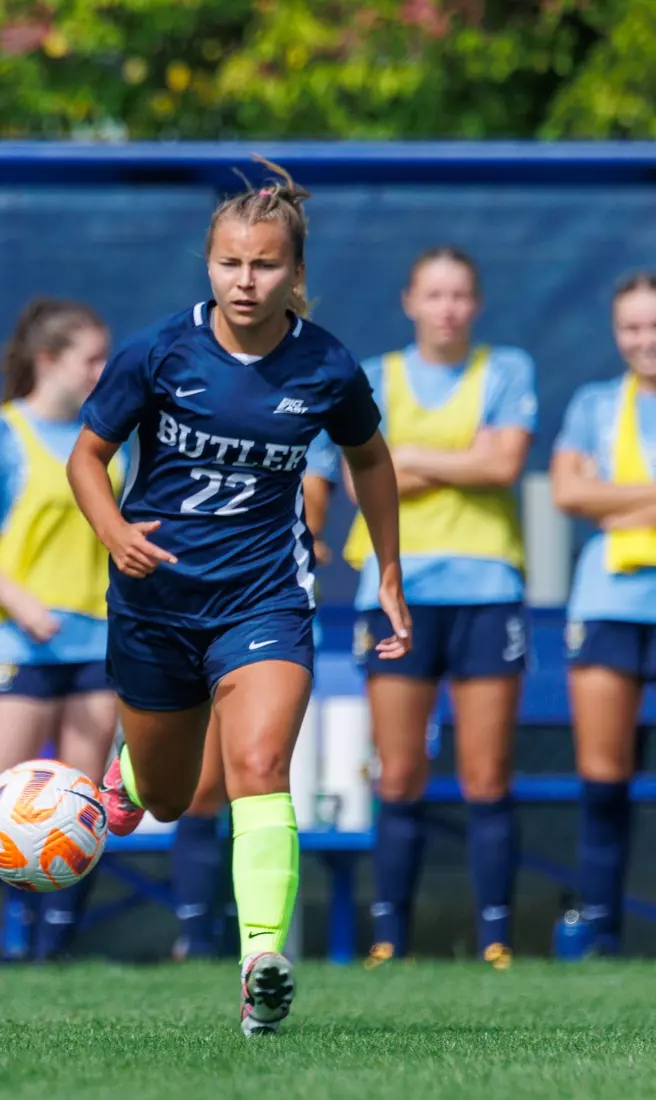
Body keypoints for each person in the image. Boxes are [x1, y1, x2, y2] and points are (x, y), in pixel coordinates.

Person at [67, 160, 409, 1035]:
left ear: (295, 273)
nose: (245, 281)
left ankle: (262, 961)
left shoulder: (327, 366)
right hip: (155, 602)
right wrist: (112, 530)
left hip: (266, 597)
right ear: (208, 264)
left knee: (258, 766)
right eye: (229, 263)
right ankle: (138, 770)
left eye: (264, 265)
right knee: (175, 797)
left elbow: (369, 459)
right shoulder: (158, 351)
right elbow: (86, 457)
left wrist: (390, 575)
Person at [341, 247, 536, 971]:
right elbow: (364, 474)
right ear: (409, 302)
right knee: (398, 776)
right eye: (434, 294)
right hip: (395, 593)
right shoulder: (374, 376)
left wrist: (411, 456)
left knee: (487, 776)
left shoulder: (507, 368)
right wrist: (457, 459)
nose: (447, 308)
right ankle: (389, 938)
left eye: (460, 295)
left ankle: (496, 938)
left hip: (488, 593)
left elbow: (504, 465)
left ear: (476, 304)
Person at [0, 299, 120, 964]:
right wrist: (23, 608)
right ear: (48, 361)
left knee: (81, 803)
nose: (104, 370)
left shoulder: (108, 437)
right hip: (22, 640)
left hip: (98, 638)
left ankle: (53, 952)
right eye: (90, 359)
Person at [168, 440, 343, 961]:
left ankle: (258, 948)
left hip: (268, 604)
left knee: (258, 768)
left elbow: (314, 500)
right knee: (191, 788)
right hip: (191, 598)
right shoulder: (180, 389)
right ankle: (195, 935)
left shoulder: (311, 394)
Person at [551, 271, 656, 957]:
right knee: (604, 776)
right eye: (632, 328)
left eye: (654, 325)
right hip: (609, 603)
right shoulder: (594, 403)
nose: (645, 340)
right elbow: (567, 490)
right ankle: (600, 935)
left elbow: (593, 494)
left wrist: (613, 497)